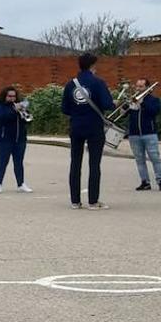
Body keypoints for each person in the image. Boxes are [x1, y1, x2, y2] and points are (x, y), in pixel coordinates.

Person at [61, 52, 115, 210]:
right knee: (94, 164)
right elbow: (106, 103)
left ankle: (75, 201)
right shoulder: (98, 82)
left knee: (75, 163)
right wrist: (113, 103)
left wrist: (78, 113)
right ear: (93, 66)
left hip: (76, 126)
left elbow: (64, 108)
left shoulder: (71, 84)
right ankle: (93, 201)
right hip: (94, 126)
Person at [125, 78, 161, 192]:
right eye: (137, 86)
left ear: (147, 88)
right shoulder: (132, 100)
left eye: (141, 87)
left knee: (155, 158)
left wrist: (142, 103)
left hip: (149, 133)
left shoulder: (153, 100)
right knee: (139, 159)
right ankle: (145, 182)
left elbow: (155, 111)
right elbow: (125, 114)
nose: (138, 89)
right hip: (134, 134)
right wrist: (125, 106)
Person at [0, 87, 32, 194]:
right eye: (9, 96)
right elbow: (2, 118)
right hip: (4, 139)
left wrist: (25, 114)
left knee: (19, 162)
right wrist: (14, 110)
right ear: (5, 96)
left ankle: (21, 184)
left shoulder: (20, 106)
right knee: (2, 162)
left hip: (20, 139)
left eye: (14, 96)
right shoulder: (0, 107)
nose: (12, 98)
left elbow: (28, 119)